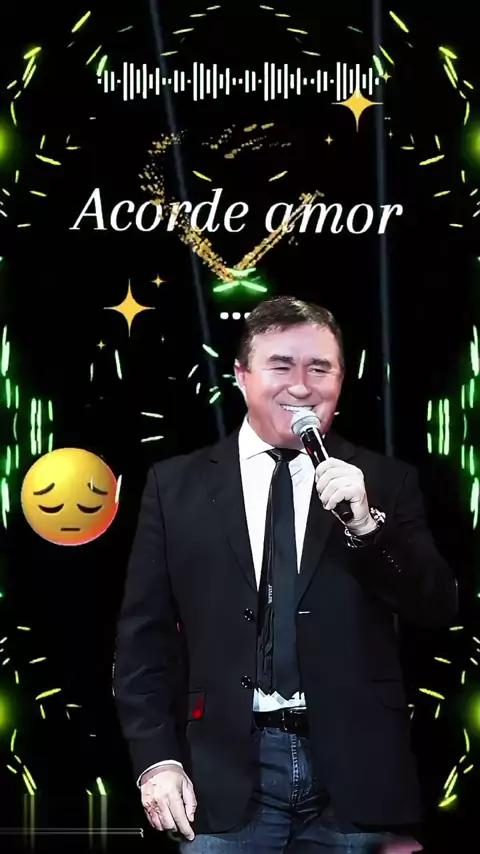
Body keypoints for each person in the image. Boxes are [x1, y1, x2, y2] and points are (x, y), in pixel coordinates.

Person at [112, 296, 458, 853]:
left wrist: (367, 526)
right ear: (241, 376)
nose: (301, 386)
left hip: (357, 781)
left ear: (341, 380)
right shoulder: (174, 487)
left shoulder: (384, 481)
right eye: (281, 366)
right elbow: (143, 643)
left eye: (320, 368)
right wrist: (158, 761)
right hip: (221, 778)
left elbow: (436, 606)